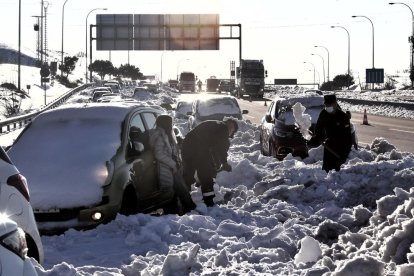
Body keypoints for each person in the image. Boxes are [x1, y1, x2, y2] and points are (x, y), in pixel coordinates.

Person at [181, 118, 238, 207]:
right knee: (206, 175)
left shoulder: (216, 125)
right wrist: (225, 163)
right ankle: (208, 201)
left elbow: (214, 150)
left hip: (186, 147)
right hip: (197, 150)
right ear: (231, 126)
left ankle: (183, 199)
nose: (231, 133)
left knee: (188, 174)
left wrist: (214, 165)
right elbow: (221, 149)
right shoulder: (223, 129)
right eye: (233, 130)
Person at [149, 114, 196, 214]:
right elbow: (158, 154)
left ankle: (178, 211)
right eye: (170, 122)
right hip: (167, 168)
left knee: (177, 191)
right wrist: (172, 164)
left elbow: (171, 150)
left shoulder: (168, 134)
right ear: (166, 124)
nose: (172, 124)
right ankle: (190, 209)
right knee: (181, 190)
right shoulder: (160, 136)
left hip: (173, 167)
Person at [311, 94, 352, 172]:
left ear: (335, 104)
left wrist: (345, 153)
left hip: (341, 146)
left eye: (329, 104)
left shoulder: (343, 116)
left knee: (337, 171)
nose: (327, 106)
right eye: (326, 105)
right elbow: (319, 127)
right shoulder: (324, 113)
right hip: (329, 145)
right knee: (326, 169)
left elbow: (348, 137)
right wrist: (317, 137)